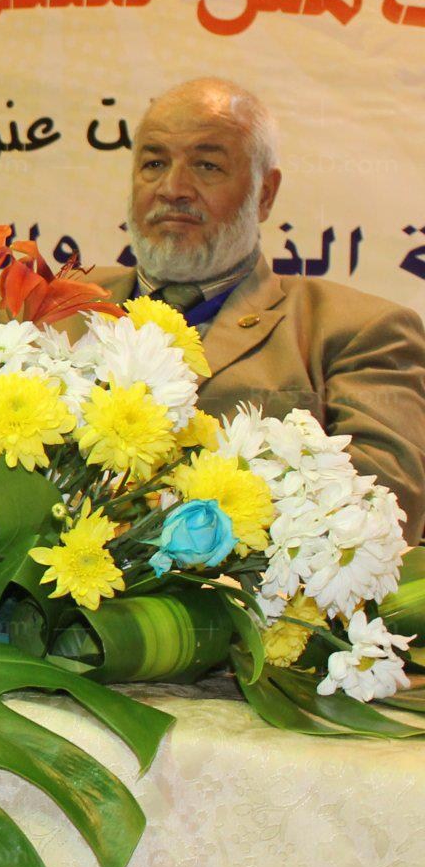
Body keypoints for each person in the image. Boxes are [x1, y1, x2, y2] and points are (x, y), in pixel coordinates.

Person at [86, 77, 425, 539]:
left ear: (265, 193)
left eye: (207, 165)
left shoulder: (358, 329)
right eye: (154, 163)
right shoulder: (53, 310)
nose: (173, 188)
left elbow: (388, 500)